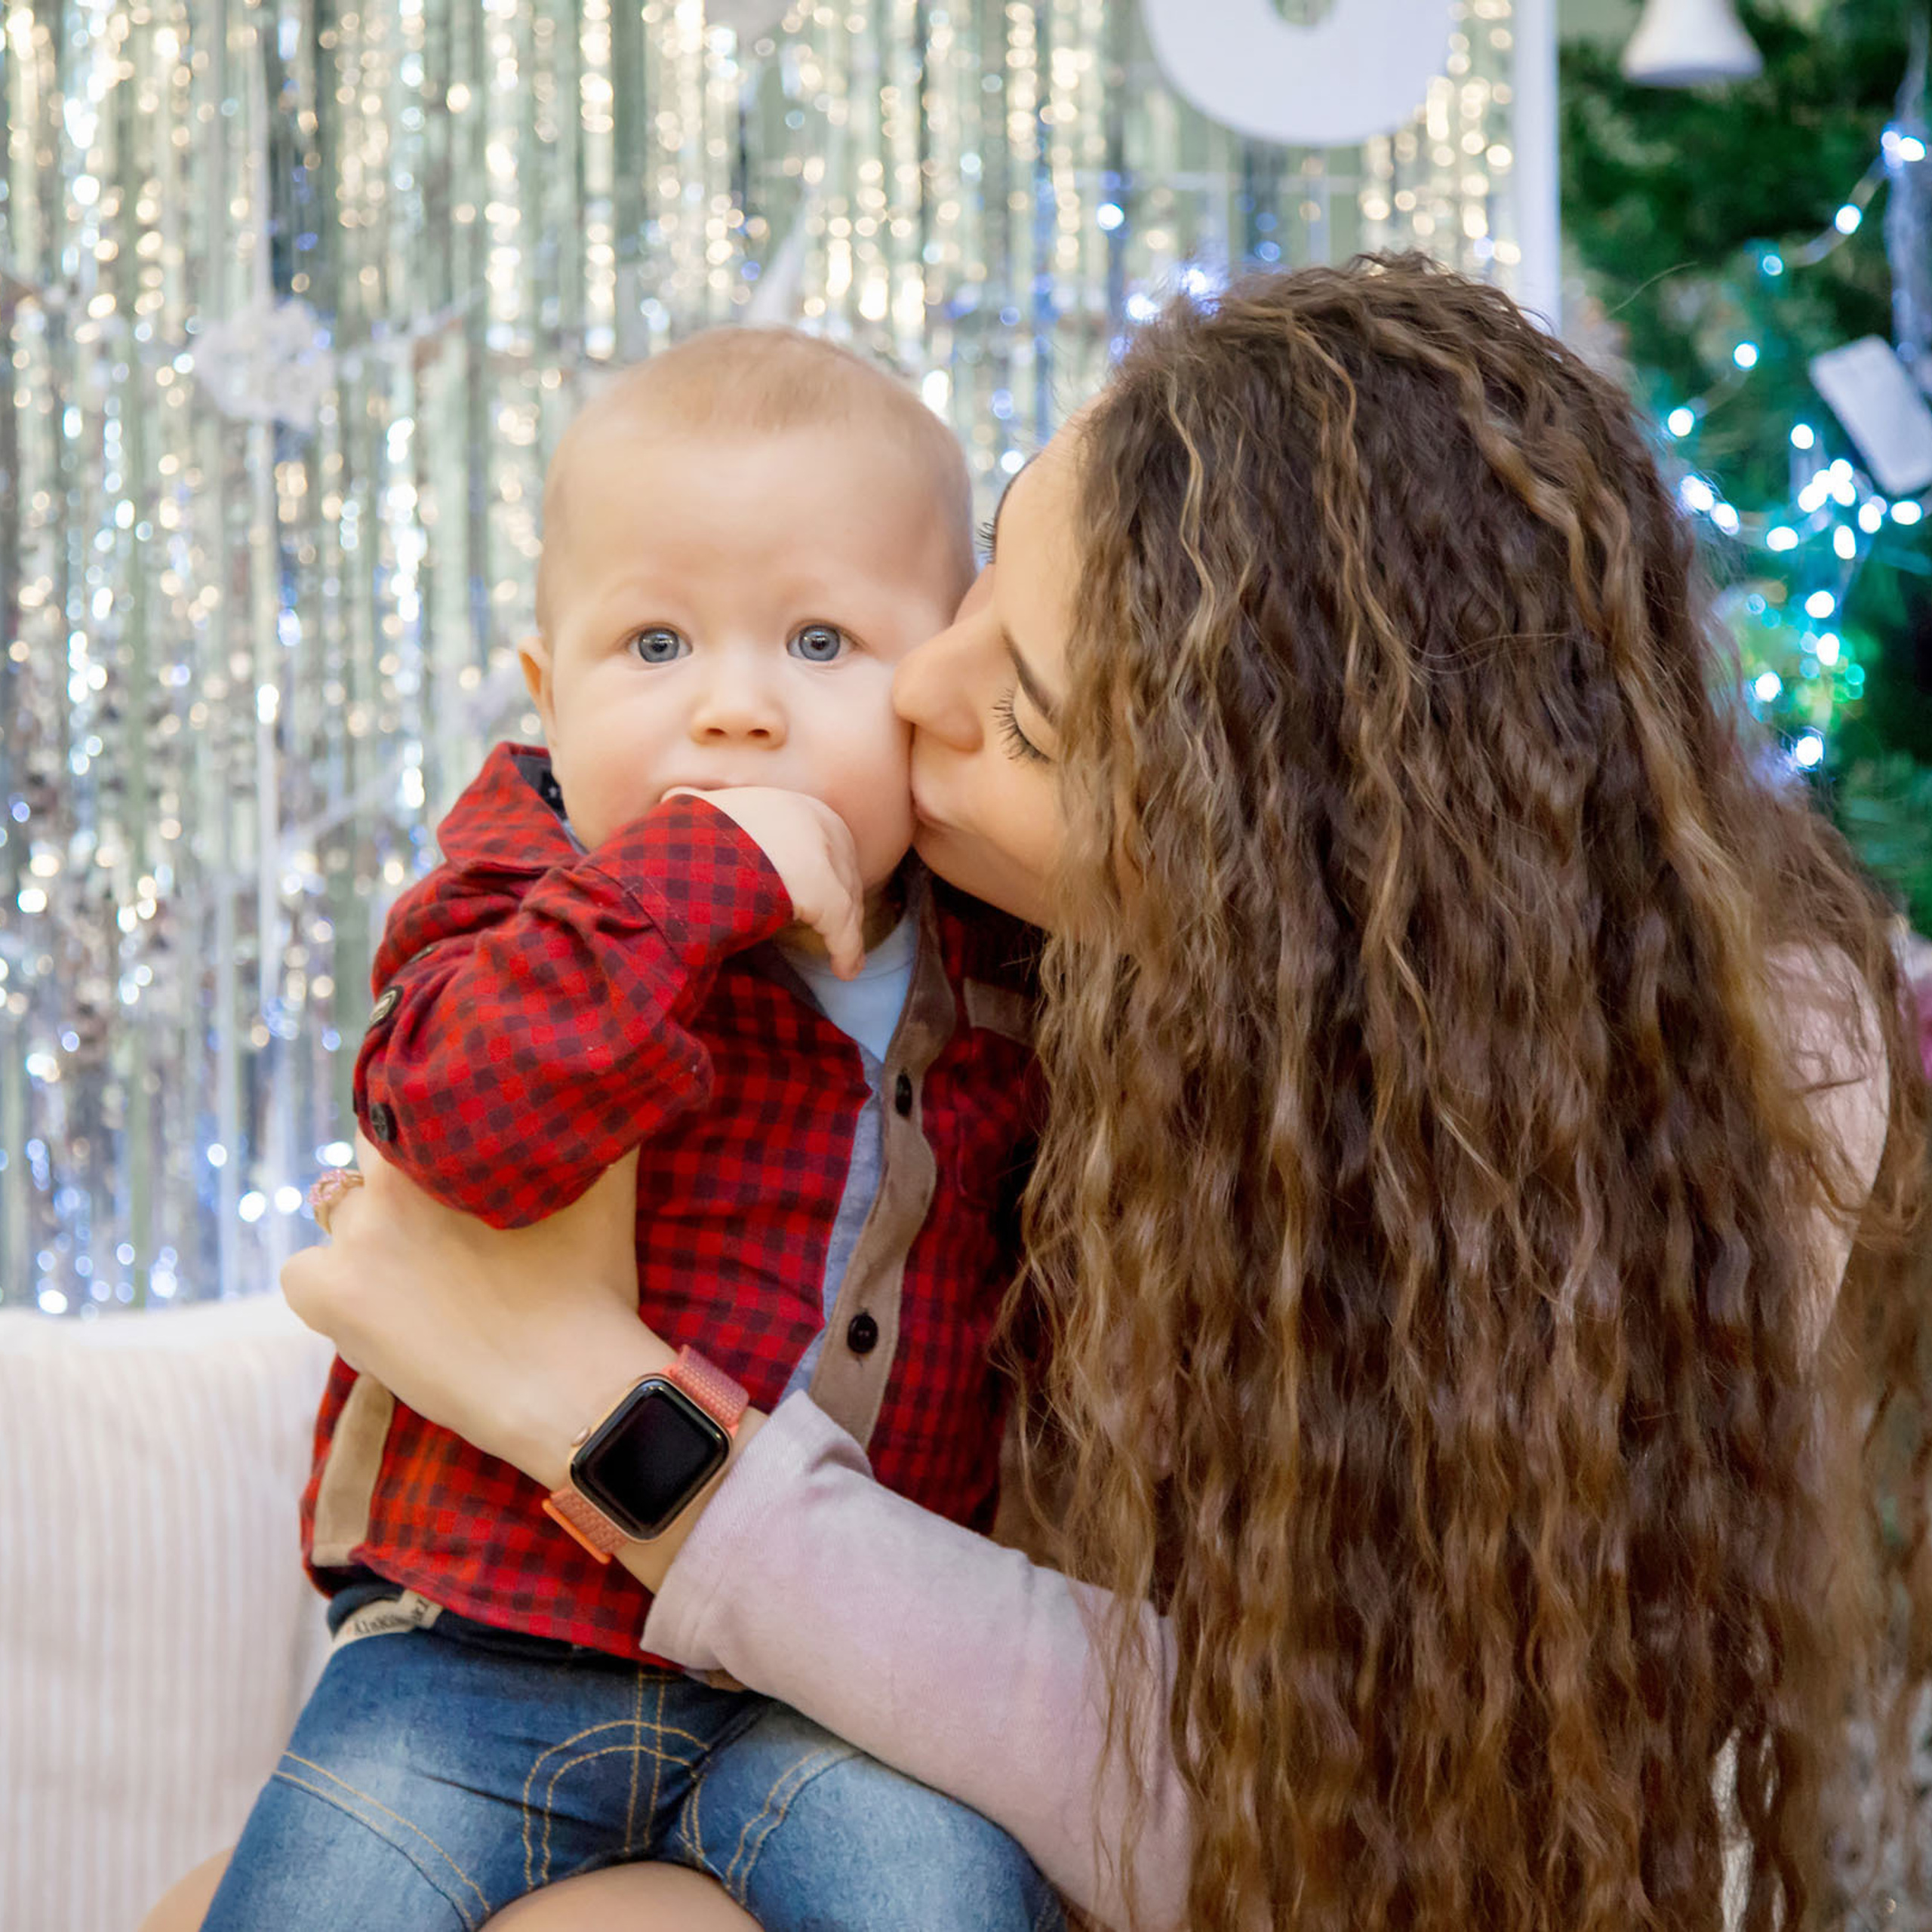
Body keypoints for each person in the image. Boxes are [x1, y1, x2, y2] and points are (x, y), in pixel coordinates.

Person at [152, 256, 1930, 1932]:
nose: (909, 686)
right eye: (990, 572)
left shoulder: (1729, 1062)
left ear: (1264, 881)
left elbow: (1327, 1809)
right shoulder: (791, 898)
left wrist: (597, 1406)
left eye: (1024, 713)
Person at [195, 329, 1056, 1932]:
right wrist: (701, 874)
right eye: (654, 644)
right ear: (546, 693)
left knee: (947, 1895)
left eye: (819, 640)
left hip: (834, 1687)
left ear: (938, 679)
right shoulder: (522, 888)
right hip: (478, 1650)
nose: (732, 710)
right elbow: (460, 1126)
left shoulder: (1001, 964)